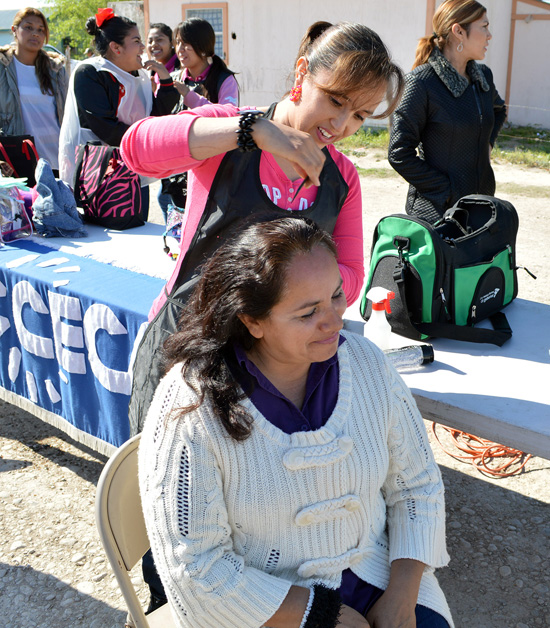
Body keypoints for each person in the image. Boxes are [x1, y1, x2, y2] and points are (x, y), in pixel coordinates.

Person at [139, 217, 454, 628]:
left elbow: (417, 486)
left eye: (337, 296)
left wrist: (401, 596)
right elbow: (196, 568)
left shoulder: (367, 364)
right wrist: (326, 617)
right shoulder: (190, 405)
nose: (335, 321)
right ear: (251, 320)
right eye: (308, 313)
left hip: (376, 576)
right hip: (261, 607)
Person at [121, 20, 404, 436]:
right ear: (303, 72)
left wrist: (278, 284)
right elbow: (136, 149)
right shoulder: (230, 128)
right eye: (336, 100)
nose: (342, 124)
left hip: (278, 366)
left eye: (359, 115)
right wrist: (250, 131)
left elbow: (351, 276)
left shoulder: (342, 177)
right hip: (187, 348)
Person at [388, 0, 507, 224]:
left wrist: (487, 144)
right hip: (437, 213)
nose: (489, 35)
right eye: (484, 26)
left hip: (481, 206)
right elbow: (399, 153)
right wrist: (446, 189)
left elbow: (499, 111)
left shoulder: (483, 77)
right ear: (459, 31)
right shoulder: (422, 83)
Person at [58, 8, 179, 220]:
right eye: (136, 41)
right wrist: (149, 144)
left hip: (132, 167)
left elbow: (155, 117)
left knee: (136, 225)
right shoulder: (90, 72)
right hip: (98, 172)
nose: (143, 47)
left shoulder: (138, 76)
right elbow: (106, 128)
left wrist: (166, 81)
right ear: (116, 47)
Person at [157, 17, 241, 221]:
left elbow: (229, 116)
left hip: (212, 165)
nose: (180, 49)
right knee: (169, 210)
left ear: (203, 46)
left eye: (187, 44)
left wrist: (191, 97)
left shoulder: (224, 79)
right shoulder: (174, 78)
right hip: (178, 166)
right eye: (178, 43)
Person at [0, 7, 68, 175]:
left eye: (40, 30)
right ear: (14, 30)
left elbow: (68, 115)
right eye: (28, 27)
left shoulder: (56, 69)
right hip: (19, 159)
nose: (35, 34)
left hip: (58, 159)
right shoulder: (3, 68)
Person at [146, 22, 181, 220]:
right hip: (162, 140)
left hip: (176, 139)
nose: (153, 44)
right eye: (150, 40)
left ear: (171, 43)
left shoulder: (178, 69)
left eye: (159, 39)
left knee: (166, 196)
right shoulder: (152, 70)